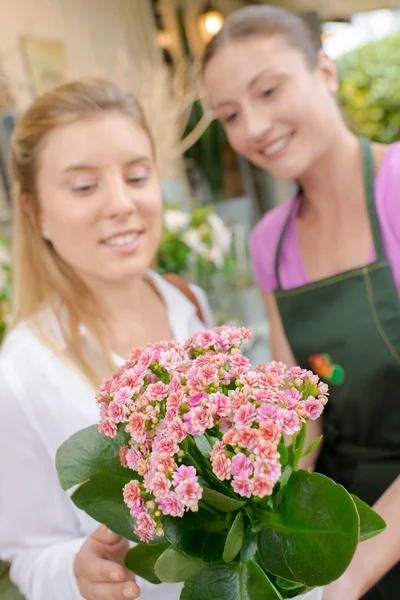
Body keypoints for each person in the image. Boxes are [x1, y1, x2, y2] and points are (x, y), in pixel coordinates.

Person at [202, 5, 400, 600]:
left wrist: (354, 574)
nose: (255, 126)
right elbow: (304, 408)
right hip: (342, 519)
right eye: (231, 115)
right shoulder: (271, 241)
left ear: (325, 71)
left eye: (269, 90)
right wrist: (264, 525)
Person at [0, 78, 213, 600]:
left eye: (137, 176)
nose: (122, 204)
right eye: (84, 186)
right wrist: (77, 571)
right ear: (36, 212)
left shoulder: (189, 302)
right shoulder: (21, 372)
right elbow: (26, 551)